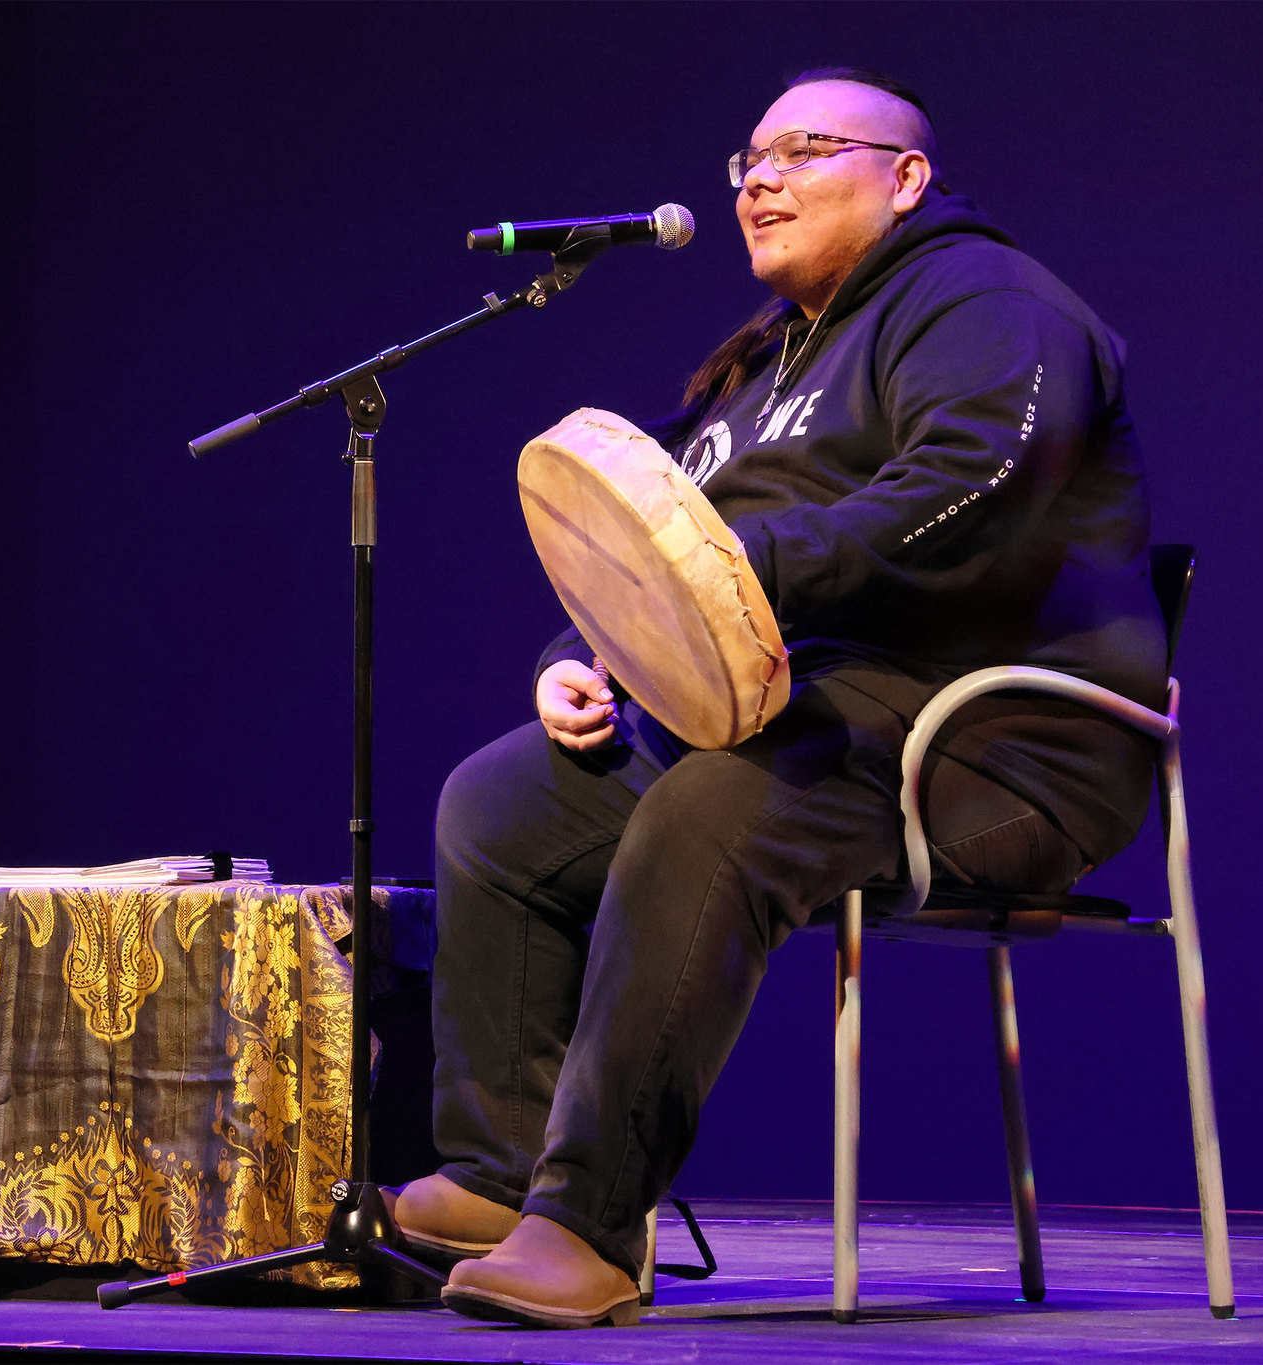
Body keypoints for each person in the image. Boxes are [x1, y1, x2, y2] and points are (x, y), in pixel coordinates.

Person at [395, 69, 1166, 1328]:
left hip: (998, 745)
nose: (758, 179)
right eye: (746, 160)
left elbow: (969, 491)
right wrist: (579, 648)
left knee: (715, 809)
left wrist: (747, 574)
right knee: (504, 805)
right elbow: (665, 539)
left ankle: (586, 1226)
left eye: (802, 152)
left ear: (903, 178)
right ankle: (502, 1173)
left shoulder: (985, 300)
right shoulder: (760, 371)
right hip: (807, 718)